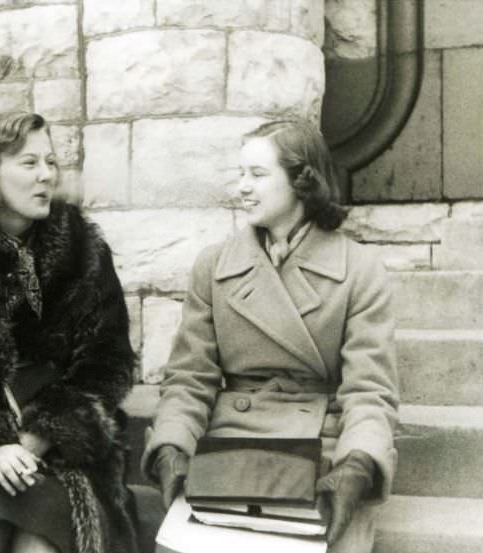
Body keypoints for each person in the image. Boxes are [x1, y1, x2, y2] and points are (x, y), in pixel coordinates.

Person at [141, 119, 399, 553]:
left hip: (323, 446)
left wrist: (357, 464)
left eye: (257, 175)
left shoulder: (359, 270)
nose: (242, 187)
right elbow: (189, 379)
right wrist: (172, 445)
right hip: (230, 443)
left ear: (303, 181)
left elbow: (370, 389)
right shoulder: (214, 266)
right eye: (240, 174)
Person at [0, 112, 139, 553]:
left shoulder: (84, 250)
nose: (47, 176)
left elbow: (107, 362)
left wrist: (43, 433)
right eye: (29, 163)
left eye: (50, 162)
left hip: (68, 442)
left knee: (41, 544)